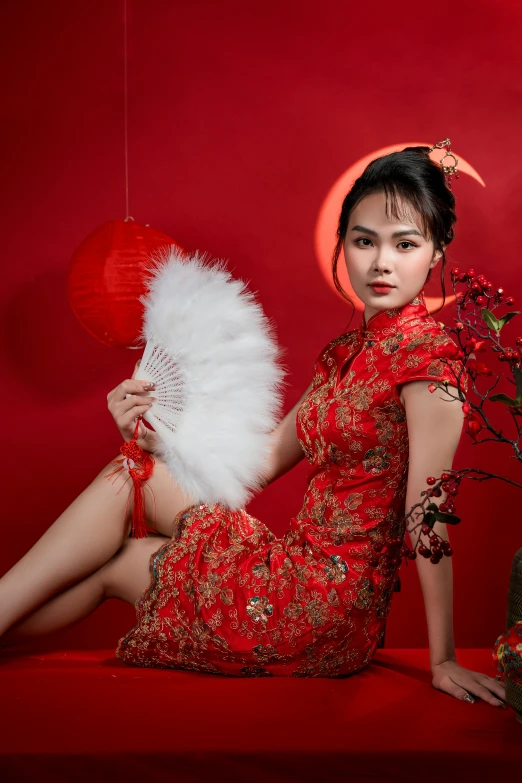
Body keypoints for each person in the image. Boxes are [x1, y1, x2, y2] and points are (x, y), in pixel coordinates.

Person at [0, 145, 506, 707]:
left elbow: (426, 516)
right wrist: (154, 433)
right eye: (365, 241)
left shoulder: (429, 363)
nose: (381, 262)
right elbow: (260, 462)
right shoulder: (346, 354)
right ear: (344, 246)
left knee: (126, 504)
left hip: (325, 610)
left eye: (404, 244)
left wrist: (443, 660)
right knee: (126, 515)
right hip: (294, 563)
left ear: (435, 252)